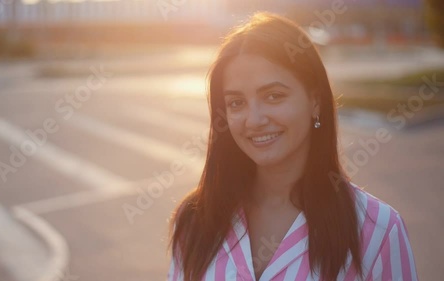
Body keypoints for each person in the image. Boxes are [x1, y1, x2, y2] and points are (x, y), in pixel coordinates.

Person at [167, 12, 418, 281]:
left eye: (274, 96)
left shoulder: (376, 229)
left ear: (315, 101)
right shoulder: (194, 221)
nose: (254, 120)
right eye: (236, 103)